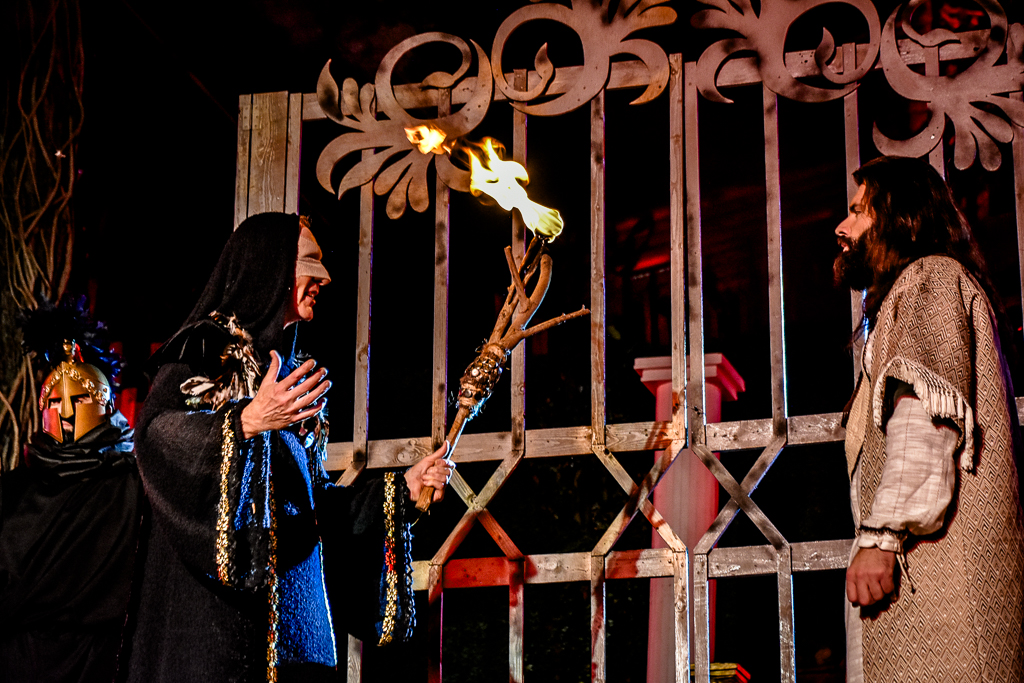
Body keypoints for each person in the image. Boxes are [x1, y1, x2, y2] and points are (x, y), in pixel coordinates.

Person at [126, 212, 454, 683]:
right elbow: (157, 436)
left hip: (299, 640)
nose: (325, 278)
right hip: (223, 632)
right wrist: (246, 422)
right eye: (310, 263)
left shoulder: (283, 376)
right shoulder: (203, 354)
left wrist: (401, 489)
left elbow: (310, 510)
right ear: (270, 266)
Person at [835, 155, 1024, 682]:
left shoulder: (929, 277)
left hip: (942, 581)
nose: (842, 227)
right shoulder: (925, 286)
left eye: (858, 211)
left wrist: (881, 537)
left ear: (901, 217)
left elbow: (924, 420)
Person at [0, 298, 142, 683]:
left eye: (79, 399)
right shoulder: (12, 489)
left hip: (105, 665)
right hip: (19, 664)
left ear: (105, 404)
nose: (65, 413)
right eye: (55, 401)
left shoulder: (137, 484)